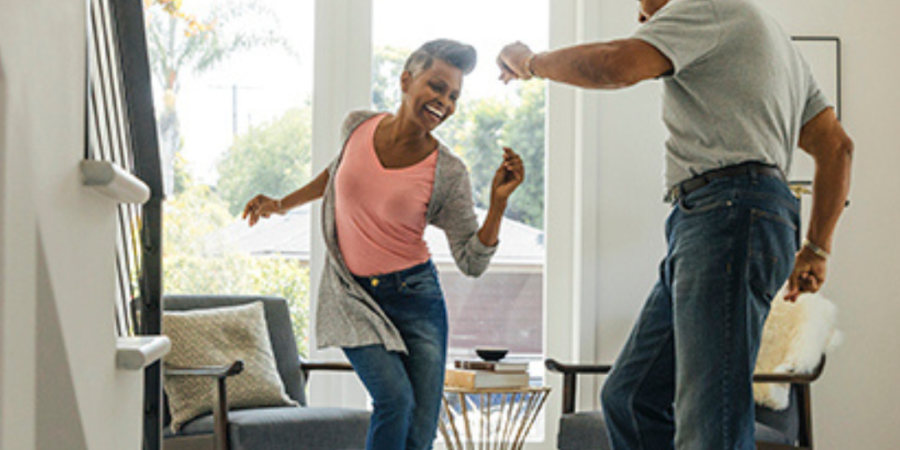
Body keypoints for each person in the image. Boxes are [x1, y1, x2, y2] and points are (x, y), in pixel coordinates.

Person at [498, 0, 852, 448]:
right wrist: (816, 249)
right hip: (727, 216)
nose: (641, 14)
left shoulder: (707, 8)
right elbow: (837, 147)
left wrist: (530, 63)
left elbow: (615, 65)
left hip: (726, 215)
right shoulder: (768, 37)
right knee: (632, 395)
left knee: (711, 423)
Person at [243, 39, 525, 450]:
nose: (444, 101)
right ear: (406, 80)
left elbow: (472, 260)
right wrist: (280, 204)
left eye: (453, 95)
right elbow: (337, 174)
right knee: (395, 400)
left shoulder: (448, 172)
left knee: (420, 430)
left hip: (416, 299)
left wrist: (498, 204)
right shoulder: (357, 125)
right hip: (352, 296)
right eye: (436, 85)